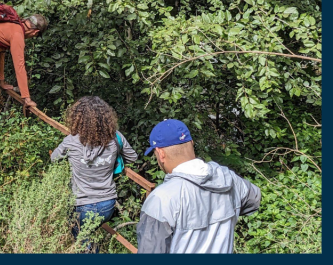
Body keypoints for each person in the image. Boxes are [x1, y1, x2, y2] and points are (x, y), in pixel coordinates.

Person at [137, 119, 261, 253]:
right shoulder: (227, 178)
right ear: (191, 143)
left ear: (161, 154)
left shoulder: (161, 199)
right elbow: (254, 200)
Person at [51, 96, 137, 253]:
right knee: (89, 236)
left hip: (81, 205)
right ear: (106, 118)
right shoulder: (116, 138)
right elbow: (133, 157)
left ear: (77, 118)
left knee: (82, 241)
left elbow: (54, 159)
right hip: (108, 205)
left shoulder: (71, 141)